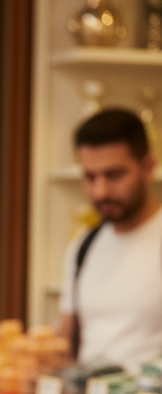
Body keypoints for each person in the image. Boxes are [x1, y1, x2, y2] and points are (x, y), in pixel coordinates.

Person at [58, 108, 162, 373]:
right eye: (90, 177)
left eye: (114, 175)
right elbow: (66, 342)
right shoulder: (83, 245)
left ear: (147, 167)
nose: (100, 191)